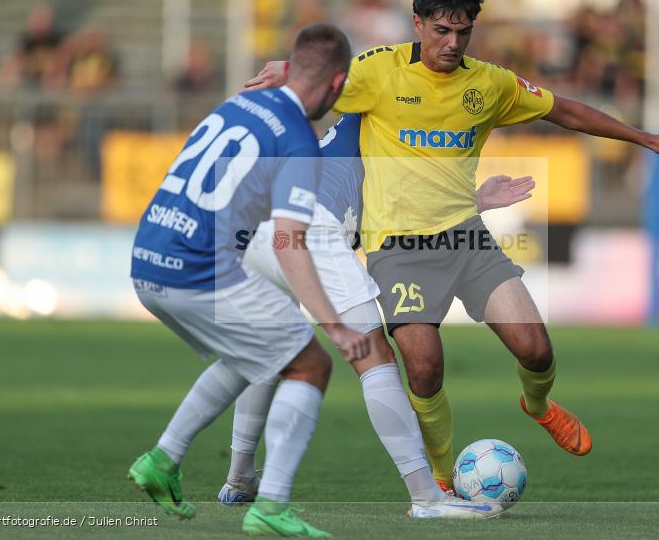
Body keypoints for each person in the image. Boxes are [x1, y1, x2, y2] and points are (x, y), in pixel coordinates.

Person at [245, 0, 659, 492]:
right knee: (423, 370)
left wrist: (644, 138)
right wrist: (290, 69)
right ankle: (440, 479)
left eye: (463, 33)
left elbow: (564, 109)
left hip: (467, 239)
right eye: (441, 31)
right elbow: (322, 83)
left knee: (536, 350)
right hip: (398, 248)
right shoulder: (378, 71)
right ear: (418, 24)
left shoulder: (489, 83)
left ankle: (538, 405)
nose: (452, 44)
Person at [220, 112, 534, 518]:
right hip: (313, 228)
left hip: (262, 224)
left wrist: (475, 201)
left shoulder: (367, 129)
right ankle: (427, 497)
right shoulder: (387, 114)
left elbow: (403, 210)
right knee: (377, 361)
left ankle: (239, 479)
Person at [127, 22, 369, 538]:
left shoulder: (235, 105)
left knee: (249, 354)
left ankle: (162, 459)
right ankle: (270, 505)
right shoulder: (300, 140)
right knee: (310, 365)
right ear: (337, 83)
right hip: (198, 270)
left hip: (147, 257)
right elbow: (289, 243)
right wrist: (336, 324)